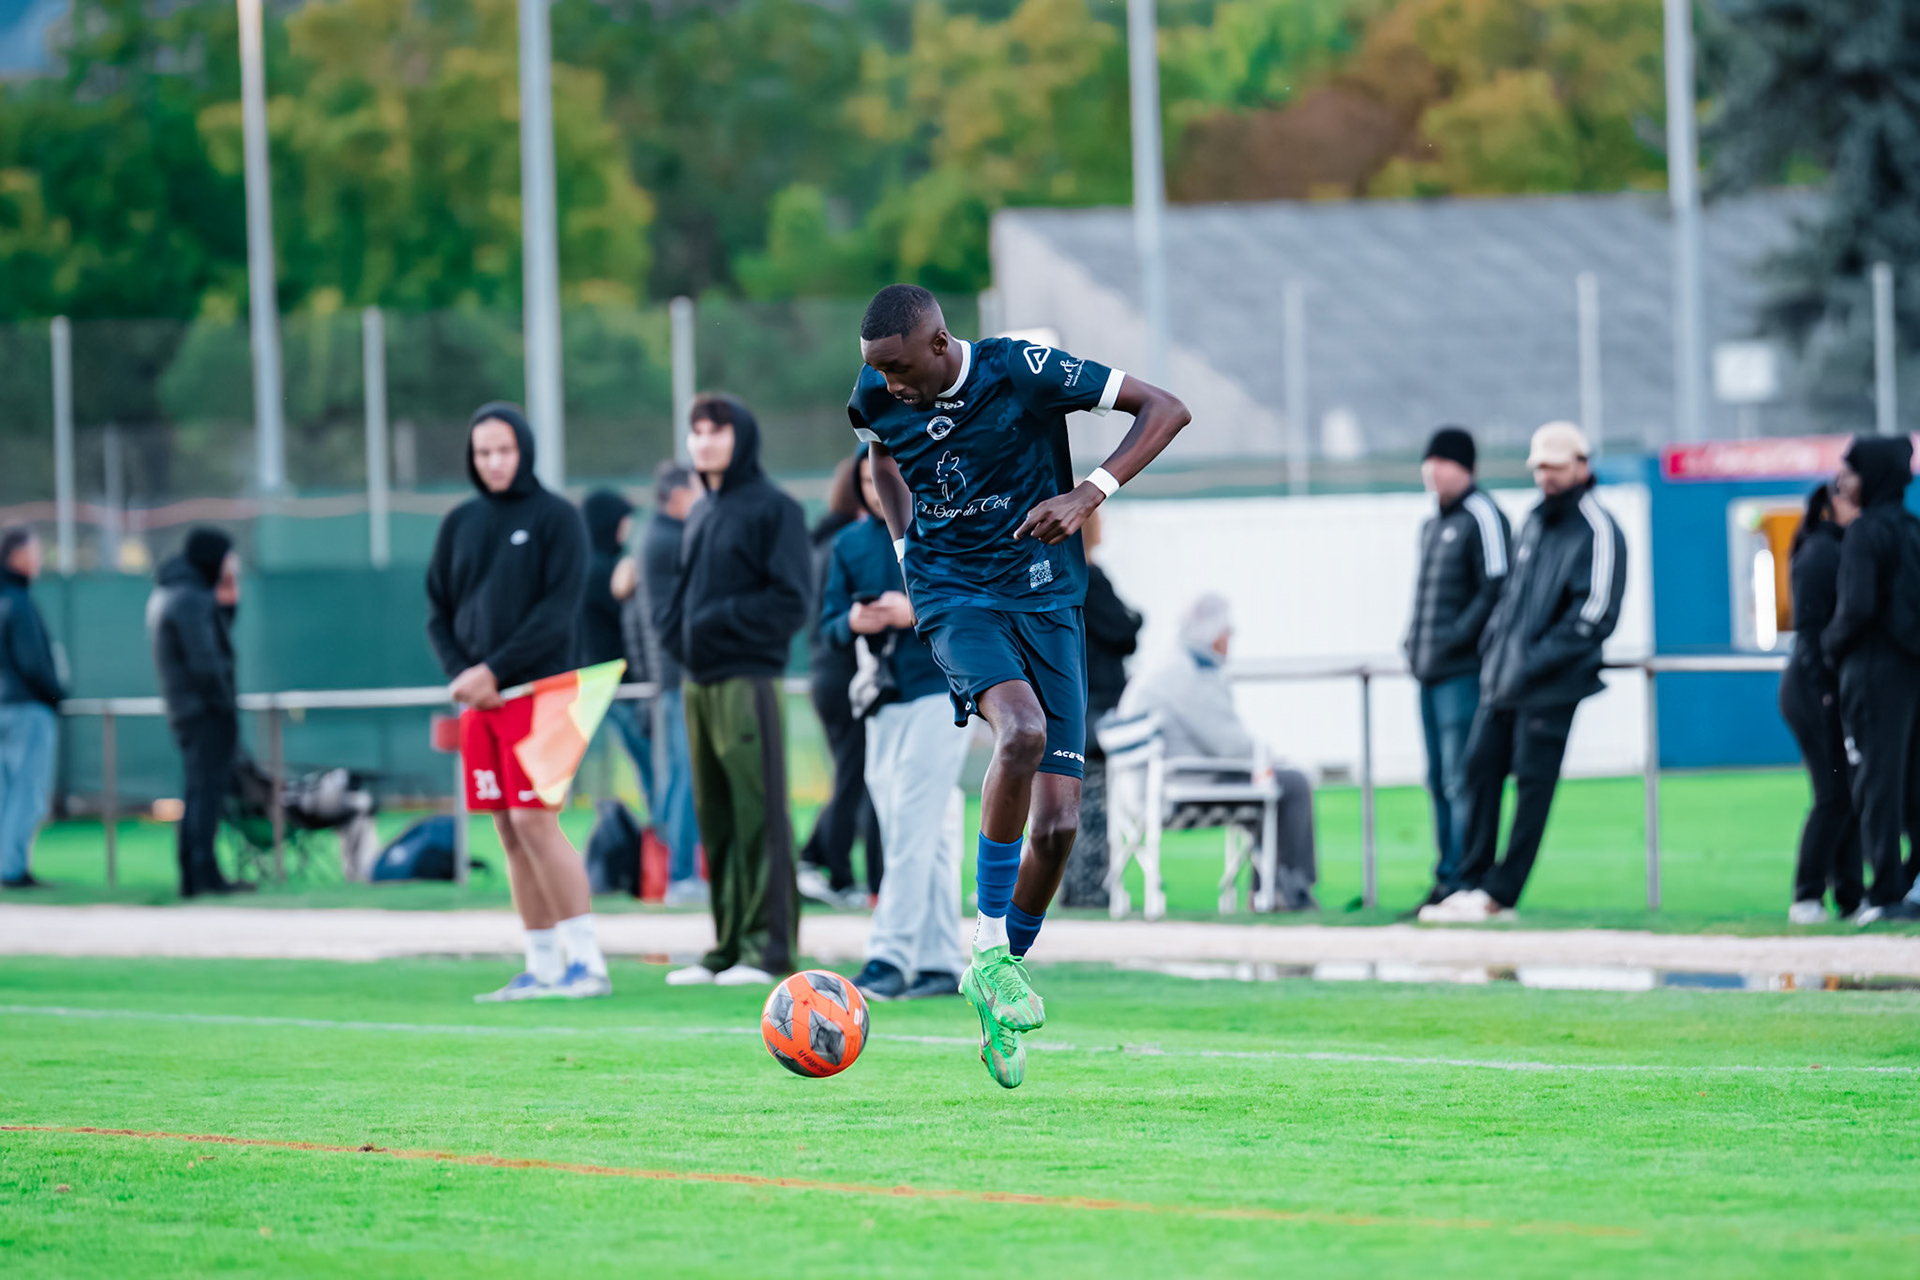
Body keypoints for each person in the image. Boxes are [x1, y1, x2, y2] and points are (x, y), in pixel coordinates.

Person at [851, 283, 1190, 1088]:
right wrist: (906, 550)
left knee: (1059, 827)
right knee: (1022, 731)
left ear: (939, 344)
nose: (888, 386)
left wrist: (1088, 492)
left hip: (1047, 596)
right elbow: (880, 454)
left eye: (899, 368)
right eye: (877, 371)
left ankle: (997, 972)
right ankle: (989, 945)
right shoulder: (876, 390)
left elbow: (1166, 408)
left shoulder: (1024, 370)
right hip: (954, 595)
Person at [426, 403, 608, 1001]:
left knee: (535, 819)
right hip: (481, 703)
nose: (494, 461)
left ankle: (588, 964)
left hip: (541, 695)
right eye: (483, 453)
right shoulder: (459, 523)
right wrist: (463, 673)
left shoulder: (558, 518)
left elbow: (557, 613)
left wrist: (494, 670)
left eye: (504, 450)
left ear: (524, 450)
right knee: (507, 828)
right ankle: (543, 966)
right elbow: (438, 612)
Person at [1421, 422, 1626, 923]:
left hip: (1551, 686)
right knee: (1477, 772)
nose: (1546, 478)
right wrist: (1498, 659)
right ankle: (1467, 883)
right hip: (1506, 682)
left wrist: (1532, 662)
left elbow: (1594, 614)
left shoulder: (1599, 528)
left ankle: (1500, 895)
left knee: (1532, 790)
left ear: (1581, 465)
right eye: (1539, 468)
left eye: (1555, 467)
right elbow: (1509, 605)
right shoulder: (1533, 522)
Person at [661, 394, 812, 987]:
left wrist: (714, 621)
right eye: (696, 431)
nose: (704, 441)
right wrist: (680, 636)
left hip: (749, 681)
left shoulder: (775, 509)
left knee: (759, 816)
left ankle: (769, 951)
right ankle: (726, 945)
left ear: (740, 436)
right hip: (697, 684)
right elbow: (681, 598)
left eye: (716, 430)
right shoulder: (701, 510)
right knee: (716, 817)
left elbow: (791, 599)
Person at [825, 447, 971, 1000]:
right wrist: (855, 620)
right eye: (864, 478)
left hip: (943, 692)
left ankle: (888, 955)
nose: (874, 486)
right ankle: (936, 963)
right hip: (881, 701)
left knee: (911, 821)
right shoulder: (849, 544)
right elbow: (828, 624)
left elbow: (970, 600)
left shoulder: (943, 529)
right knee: (921, 830)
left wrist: (913, 612)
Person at [1117, 594, 1318, 910]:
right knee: (1291, 783)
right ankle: (1286, 889)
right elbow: (1230, 744)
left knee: (1271, 781)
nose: (1230, 642)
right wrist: (1270, 758)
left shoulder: (1173, 663)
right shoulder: (1187, 672)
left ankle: (1270, 886)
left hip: (1154, 786)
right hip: (1176, 790)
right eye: (1227, 633)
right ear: (1212, 633)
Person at [1404, 426, 1511, 906]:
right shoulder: (1432, 524)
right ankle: (1446, 876)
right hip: (1429, 671)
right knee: (1437, 779)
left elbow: (1497, 588)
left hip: (1464, 672)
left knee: (1461, 777)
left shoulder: (1482, 516)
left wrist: (1455, 639)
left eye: (1440, 461)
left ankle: (1466, 877)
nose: (1431, 470)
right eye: (1428, 461)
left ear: (1463, 467)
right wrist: (1414, 642)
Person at [1822, 436, 1920, 924]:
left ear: (1874, 475)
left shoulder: (1864, 533)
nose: (1842, 481)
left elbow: (1856, 608)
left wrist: (1829, 646)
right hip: (1910, 671)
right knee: (1913, 780)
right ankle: (1909, 883)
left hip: (1874, 673)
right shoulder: (1911, 528)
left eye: (1851, 471)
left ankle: (1883, 892)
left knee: (1876, 783)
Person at [798, 455, 882, 910]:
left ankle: (823, 860)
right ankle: (829, 864)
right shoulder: (847, 544)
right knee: (855, 778)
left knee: (850, 776)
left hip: (823, 672)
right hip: (846, 672)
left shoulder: (821, 541)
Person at [148, 527, 251, 897]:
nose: (232, 564)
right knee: (205, 795)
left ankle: (196, 872)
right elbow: (205, 661)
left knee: (198, 792)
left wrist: (228, 600)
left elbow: (216, 636)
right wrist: (224, 707)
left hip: (189, 709)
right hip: (203, 711)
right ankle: (202, 873)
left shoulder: (177, 592)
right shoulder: (190, 598)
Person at [1780, 482, 1864, 924]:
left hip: (1826, 689)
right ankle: (1806, 896)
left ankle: (1850, 896)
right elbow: (1810, 633)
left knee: (1846, 794)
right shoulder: (1819, 553)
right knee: (1833, 793)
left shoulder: (1837, 549)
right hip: (1814, 693)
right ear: (1832, 507)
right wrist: (1827, 690)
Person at [630, 462, 706, 905]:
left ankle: (682, 873)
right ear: (677, 495)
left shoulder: (657, 536)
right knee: (685, 778)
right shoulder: (668, 538)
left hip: (672, 675)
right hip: (680, 676)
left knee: (680, 776)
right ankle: (681, 875)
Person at [1060, 507, 1142, 908]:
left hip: (1068, 706)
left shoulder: (1056, 577)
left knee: (1065, 804)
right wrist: (1137, 618)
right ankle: (1090, 889)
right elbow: (1126, 630)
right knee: (1093, 804)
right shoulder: (1090, 576)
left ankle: (1073, 887)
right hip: (1098, 709)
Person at [0, 527, 62, 889]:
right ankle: (11, 868)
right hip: (25, 709)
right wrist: (56, 696)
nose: (39, 559)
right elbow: (34, 663)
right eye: (36, 551)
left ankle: (8, 865)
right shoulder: (19, 602)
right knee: (27, 792)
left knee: (7, 793)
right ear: (18, 556)